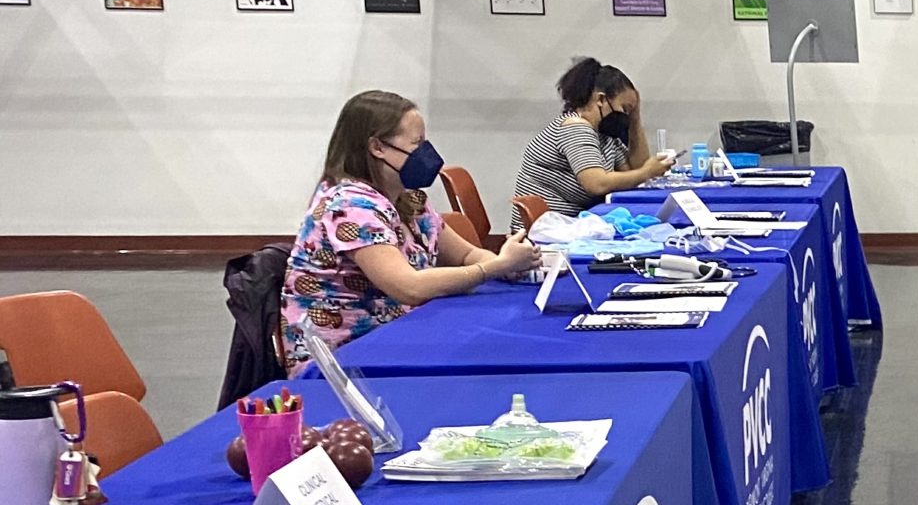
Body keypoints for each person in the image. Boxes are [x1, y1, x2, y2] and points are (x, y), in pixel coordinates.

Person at [282, 89, 540, 364]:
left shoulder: (408, 199)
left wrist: (506, 264)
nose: (426, 155)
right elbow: (410, 288)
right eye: (416, 145)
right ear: (377, 147)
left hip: (399, 337)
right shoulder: (349, 206)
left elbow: (466, 255)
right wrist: (495, 268)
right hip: (347, 359)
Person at [514, 56, 674, 225]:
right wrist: (647, 172)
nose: (625, 116)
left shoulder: (604, 135)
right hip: (545, 235)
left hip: (572, 225)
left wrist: (635, 119)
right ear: (601, 100)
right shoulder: (575, 127)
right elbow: (597, 184)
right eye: (625, 109)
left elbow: (634, 171)